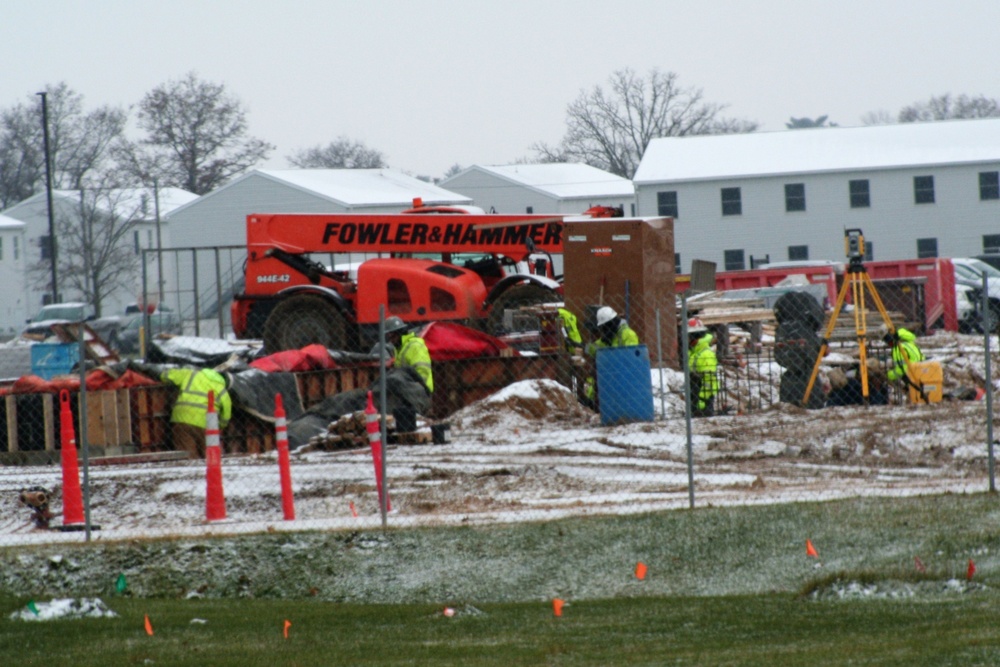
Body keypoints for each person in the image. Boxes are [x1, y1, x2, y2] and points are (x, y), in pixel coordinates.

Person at [160, 367, 232, 459]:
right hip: (207, 423)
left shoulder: (191, 374)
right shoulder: (221, 389)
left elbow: (166, 375)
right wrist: (219, 425)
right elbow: (226, 413)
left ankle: (191, 470)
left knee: (188, 454)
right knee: (208, 454)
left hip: (182, 418)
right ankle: (207, 469)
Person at [382, 316, 433, 431]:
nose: (390, 340)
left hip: (419, 393)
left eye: (392, 336)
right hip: (405, 392)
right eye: (388, 336)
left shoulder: (414, 346)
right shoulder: (399, 349)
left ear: (399, 333)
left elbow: (422, 374)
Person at [583, 306, 639, 406]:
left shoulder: (628, 334)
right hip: (610, 376)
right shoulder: (610, 337)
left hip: (624, 376)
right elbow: (594, 347)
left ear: (611, 324)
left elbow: (631, 359)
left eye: (605, 327)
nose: (603, 330)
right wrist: (583, 346)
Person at [687, 318, 719, 417]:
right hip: (695, 394)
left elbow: (709, 380)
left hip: (703, 399)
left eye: (688, 336)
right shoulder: (694, 352)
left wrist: (702, 399)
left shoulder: (705, 354)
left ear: (694, 336)